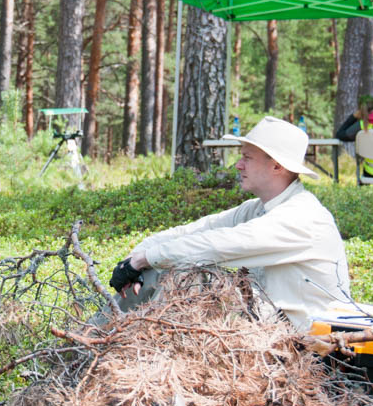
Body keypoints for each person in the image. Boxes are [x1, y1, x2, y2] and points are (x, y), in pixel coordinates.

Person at [109, 116, 351, 331]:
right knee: (167, 262)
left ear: (277, 165)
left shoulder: (301, 217)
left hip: (303, 340)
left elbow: (215, 246)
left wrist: (144, 260)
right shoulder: (258, 208)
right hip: (266, 322)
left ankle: (117, 342)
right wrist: (134, 261)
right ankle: (104, 336)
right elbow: (189, 232)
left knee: (190, 276)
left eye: (247, 157)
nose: (238, 165)